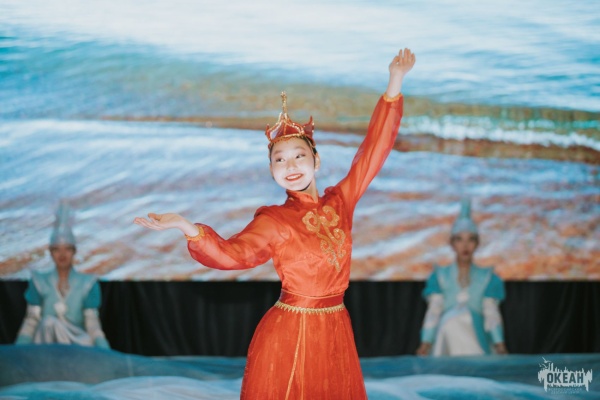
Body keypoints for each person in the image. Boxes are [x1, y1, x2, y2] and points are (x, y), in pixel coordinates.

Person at [134, 48, 415, 399]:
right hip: (290, 332)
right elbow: (232, 255)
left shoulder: (340, 201)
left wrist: (395, 82)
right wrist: (185, 226)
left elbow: (373, 151)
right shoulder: (274, 219)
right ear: (271, 171)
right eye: (279, 160)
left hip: (336, 327)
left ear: (316, 160)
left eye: (299, 155)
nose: (290, 165)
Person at [416, 198, 507, 356]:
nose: (465, 246)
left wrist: (499, 343)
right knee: (452, 321)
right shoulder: (440, 276)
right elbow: (434, 311)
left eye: (470, 240)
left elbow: (491, 314)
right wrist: (426, 343)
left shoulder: (487, 277)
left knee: (462, 319)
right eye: (459, 240)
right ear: (452, 244)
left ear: (477, 243)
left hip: (476, 334)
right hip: (446, 335)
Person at [15, 202, 110, 349]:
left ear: (74, 251)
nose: (62, 254)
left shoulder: (87, 283)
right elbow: (32, 320)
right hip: (46, 342)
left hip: (77, 342)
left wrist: (105, 351)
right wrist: (18, 350)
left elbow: (92, 324)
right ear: (51, 252)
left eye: (67, 249)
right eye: (57, 249)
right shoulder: (39, 281)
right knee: (49, 323)